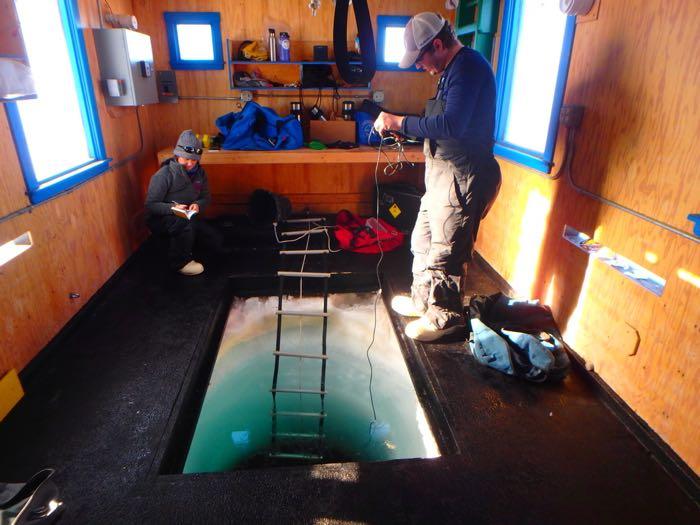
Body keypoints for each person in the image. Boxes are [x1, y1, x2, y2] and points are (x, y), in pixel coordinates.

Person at [373, 12, 501, 342]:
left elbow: (451, 124)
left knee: (446, 251)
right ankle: (423, 302)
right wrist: (409, 132)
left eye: (421, 59)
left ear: (439, 45)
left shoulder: (469, 68)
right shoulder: (449, 72)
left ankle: (446, 318)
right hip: (441, 178)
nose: (419, 66)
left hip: (462, 178)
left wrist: (400, 123)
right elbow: (444, 126)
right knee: (422, 242)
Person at [144, 130, 222, 275]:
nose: (190, 163)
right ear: (177, 155)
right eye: (186, 159)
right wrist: (173, 208)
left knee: (215, 241)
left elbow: (206, 197)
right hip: (162, 218)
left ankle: (186, 247)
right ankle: (180, 263)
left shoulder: (200, 173)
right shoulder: (164, 174)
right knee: (184, 225)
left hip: (188, 216)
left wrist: (198, 204)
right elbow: (151, 205)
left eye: (194, 160)